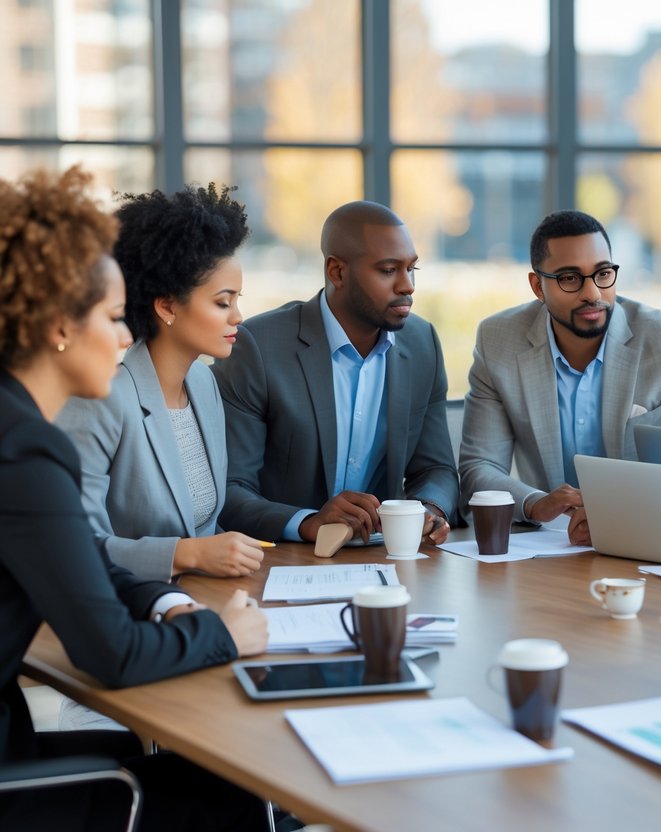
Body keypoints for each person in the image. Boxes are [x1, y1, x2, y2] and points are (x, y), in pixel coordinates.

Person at [0, 166, 268, 830]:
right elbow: (110, 654)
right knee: (228, 790)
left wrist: (166, 598)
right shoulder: (26, 453)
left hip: (13, 740)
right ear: (60, 325)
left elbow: (84, 556)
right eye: (116, 319)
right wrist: (220, 633)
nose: (126, 339)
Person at [458, 209, 661, 545]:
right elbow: (478, 469)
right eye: (570, 278)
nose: (593, 294)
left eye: (602, 274)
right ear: (537, 286)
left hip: (647, 540)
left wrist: (621, 510)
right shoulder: (498, 341)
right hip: (550, 547)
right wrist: (537, 503)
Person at [212, 200, 457, 545]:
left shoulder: (422, 344)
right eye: (388, 270)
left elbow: (436, 469)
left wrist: (428, 510)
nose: (407, 286)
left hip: (385, 558)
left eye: (411, 269)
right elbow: (229, 489)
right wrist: (309, 521)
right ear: (337, 271)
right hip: (281, 561)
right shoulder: (257, 347)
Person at [56, 184, 264, 583]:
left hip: (205, 595)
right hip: (130, 609)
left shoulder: (204, 384)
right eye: (223, 302)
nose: (237, 316)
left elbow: (205, 526)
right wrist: (187, 554)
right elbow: (76, 545)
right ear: (167, 306)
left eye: (238, 300)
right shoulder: (104, 398)